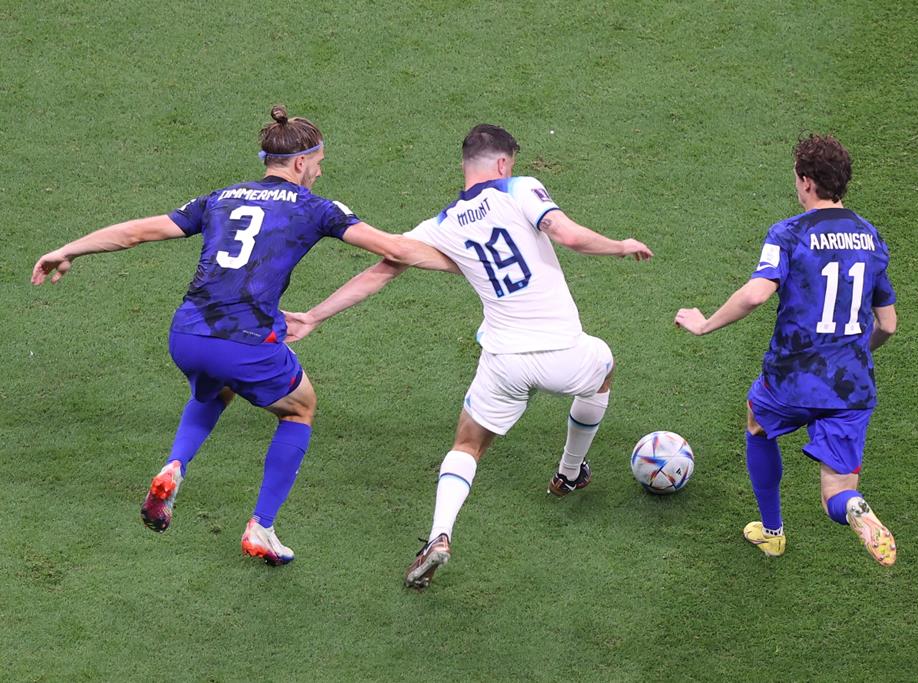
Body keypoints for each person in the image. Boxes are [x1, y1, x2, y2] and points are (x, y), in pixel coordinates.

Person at [31, 105, 454, 566]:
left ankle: (174, 466)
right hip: (244, 342)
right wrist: (469, 263)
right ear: (300, 163)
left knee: (218, 388)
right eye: (318, 163)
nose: (319, 171)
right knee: (299, 409)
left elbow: (135, 233)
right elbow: (396, 250)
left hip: (187, 335)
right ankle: (262, 527)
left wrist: (68, 249)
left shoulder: (219, 198)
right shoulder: (316, 208)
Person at [286, 124, 653, 587]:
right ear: (502, 163)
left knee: (467, 445)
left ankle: (438, 536)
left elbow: (380, 272)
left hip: (503, 362)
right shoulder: (520, 189)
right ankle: (569, 472)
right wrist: (621, 246)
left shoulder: (440, 226)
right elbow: (569, 236)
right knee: (603, 369)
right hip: (563, 351)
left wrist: (314, 315)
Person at [675, 133, 898, 566]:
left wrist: (704, 324)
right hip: (851, 386)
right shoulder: (870, 238)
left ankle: (772, 532)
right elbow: (887, 324)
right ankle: (854, 508)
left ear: (807, 182)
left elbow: (756, 294)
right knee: (836, 493)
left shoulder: (790, 233)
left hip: (792, 378)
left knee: (758, 423)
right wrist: (859, 353)